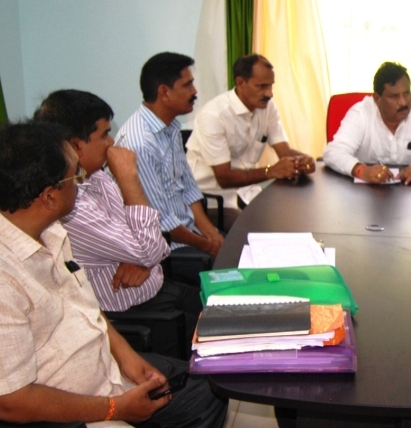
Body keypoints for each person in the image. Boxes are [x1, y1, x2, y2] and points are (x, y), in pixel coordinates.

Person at [0, 122, 227, 428]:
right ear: (49, 197)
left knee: (209, 391)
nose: (83, 179)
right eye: (75, 175)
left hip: (104, 372)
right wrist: (114, 408)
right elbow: (8, 403)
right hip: (59, 416)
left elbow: (81, 302)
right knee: (200, 402)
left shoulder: (27, 217)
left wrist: (126, 356)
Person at [33, 89, 202, 358]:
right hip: (134, 316)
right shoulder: (71, 208)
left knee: (224, 313)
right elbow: (149, 246)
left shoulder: (96, 177)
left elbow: (152, 244)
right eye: (104, 135)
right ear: (76, 146)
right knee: (219, 348)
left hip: (157, 286)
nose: (111, 143)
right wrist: (128, 178)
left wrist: (142, 260)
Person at [117, 52, 223, 285]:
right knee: (235, 276)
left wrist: (212, 235)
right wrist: (208, 245)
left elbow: (189, 190)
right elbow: (162, 223)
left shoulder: (170, 127)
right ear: (164, 92)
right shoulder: (140, 143)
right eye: (187, 85)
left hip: (191, 236)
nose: (194, 91)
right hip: (168, 251)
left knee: (241, 250)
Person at [186, 54, 316, 220]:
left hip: (247, 192)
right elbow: (224, 178)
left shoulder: (267, 108)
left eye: (270, 85)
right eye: (261, 86)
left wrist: (304, 161)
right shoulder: (213, 115)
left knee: (294, 217)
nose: (269, 93)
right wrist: (271, 171)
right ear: (241, 83)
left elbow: (284, 151)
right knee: (264, 228)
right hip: (211, 200)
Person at [322, 61, 411, 185]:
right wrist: (362, 171)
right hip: (366, 192)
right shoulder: (360, 113)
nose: (403, 102)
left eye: (406, 94)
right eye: (394, 96)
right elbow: (333, 152)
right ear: (377, 98)